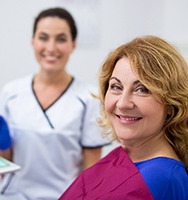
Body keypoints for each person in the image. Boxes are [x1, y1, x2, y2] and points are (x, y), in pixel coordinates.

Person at [0, 7, 107, 200]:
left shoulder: (88, 97)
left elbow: (91, 170)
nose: (51, 48)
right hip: (13, 196)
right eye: (43, 37)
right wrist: (3, 142)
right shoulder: (11, 92)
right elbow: (3, 167)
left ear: (73, 44)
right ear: (33, 41)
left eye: (61, 39)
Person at [59, 35, 188, 200]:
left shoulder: (161, 179)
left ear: (171, 104)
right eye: (116, 87)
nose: (122, 103)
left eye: (142, 89)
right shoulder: (124, 156)